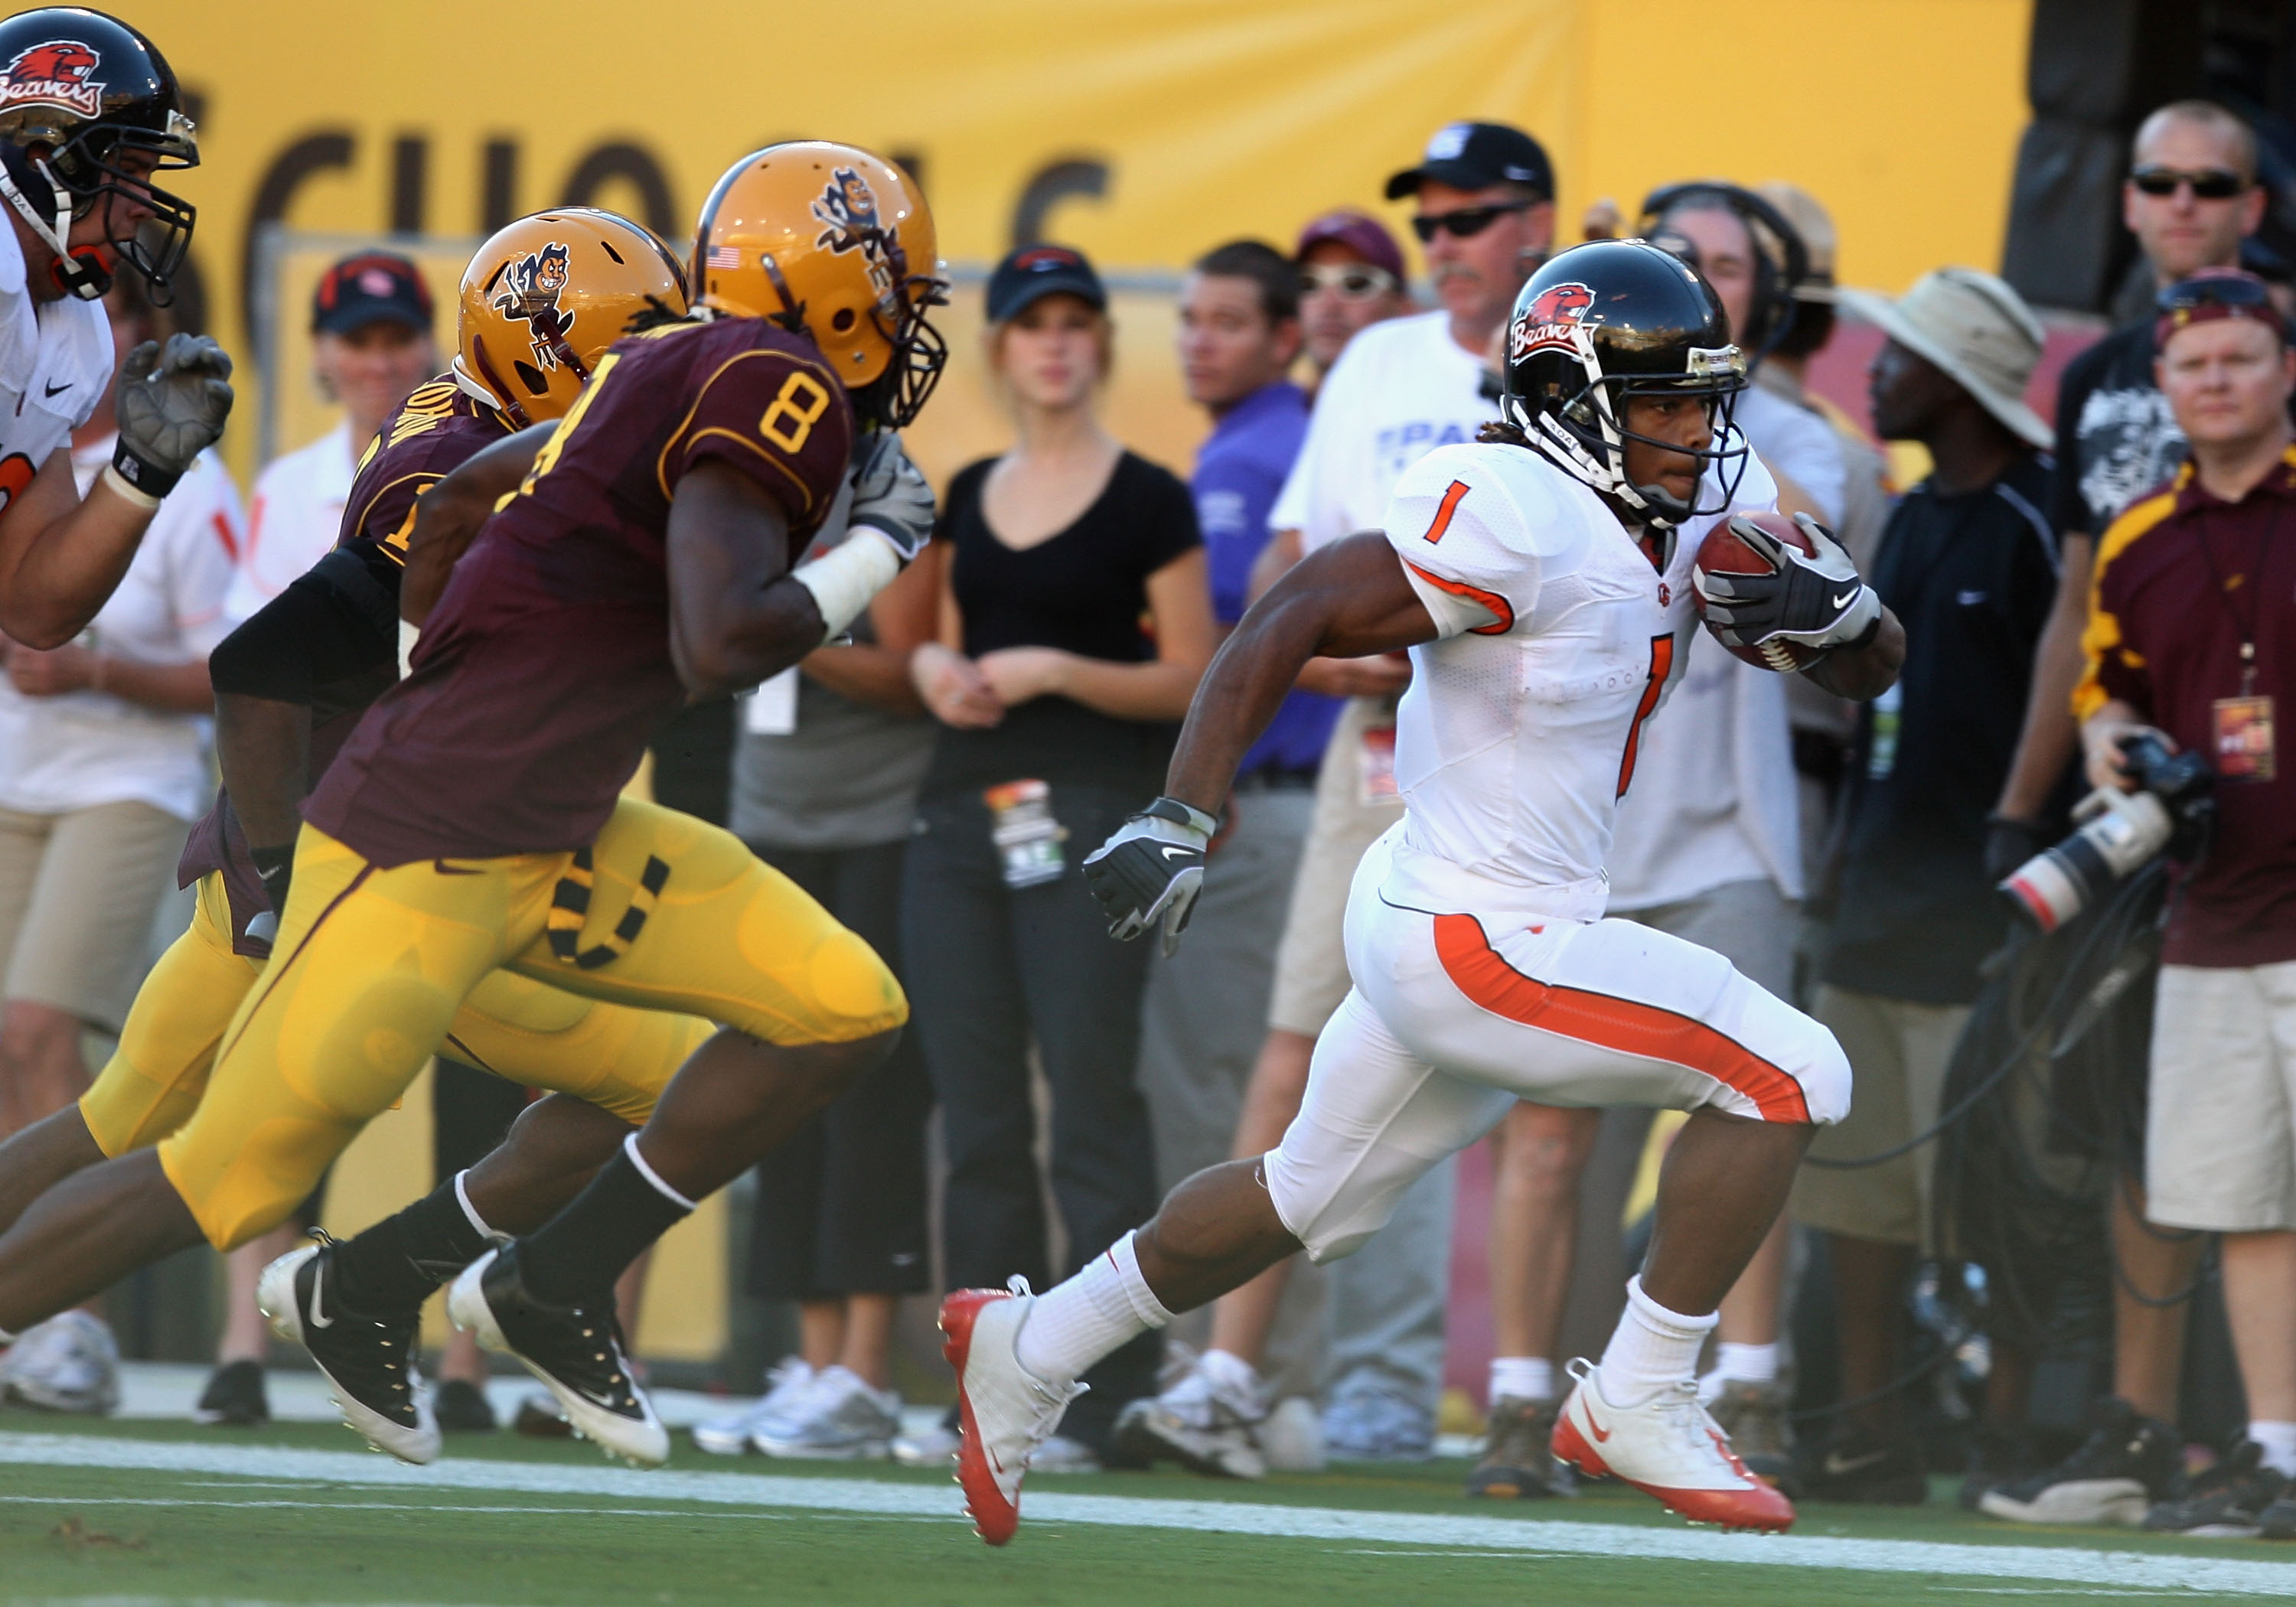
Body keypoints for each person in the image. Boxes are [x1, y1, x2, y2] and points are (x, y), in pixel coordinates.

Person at [943, 239, 1904, 1549]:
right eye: (1667, 405)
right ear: (1572, 400)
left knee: (1308, 1196)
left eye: (1704, 401)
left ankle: (1035, 1342)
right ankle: (1639, 1389)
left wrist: (1838, 613)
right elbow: (1284, 614)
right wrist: (1182, 811)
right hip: (1478, 932)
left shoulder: (1690, 496)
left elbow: (1869, 667)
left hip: (1458, 913)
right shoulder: (1511, 504)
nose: (1698, 432)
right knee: (1792, 1073)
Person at [0, 204, 727, 1463]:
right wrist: (291, 877)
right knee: (670, 1083)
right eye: (642, 347)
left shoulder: (514, 443)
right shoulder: (451, 479)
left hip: (378, 850)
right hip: (381, 867)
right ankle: (391, 1282)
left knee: (127, 1125)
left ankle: (395, 1280)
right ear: (558, 356)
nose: (666, 374)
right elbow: (261, 662)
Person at [1142, 119, 1553, 1472]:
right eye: (1429, 223)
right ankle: (1225, 1376)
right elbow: (1287, 569)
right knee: (1296, 1050)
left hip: (1531, 765)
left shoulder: (1577, 347)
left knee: (1509, 1085)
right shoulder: (1377, 360)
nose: (1444, 244)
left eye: (1469, 219)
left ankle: (1475, 1390)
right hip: (1374, 750)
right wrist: (1356, 653)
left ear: (1536, 224)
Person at [1463, 181, 1828, 1495]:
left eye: (1725, 265)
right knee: (1547, 1133)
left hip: (1725, 830)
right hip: (1580, 843)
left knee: (1759, 1094)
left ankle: (1746, 1381)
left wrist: (1714, 463)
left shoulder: (1776, 442)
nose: (1701, 282)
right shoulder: (1533, 470)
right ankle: (1520, 1401)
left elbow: (1814, 561)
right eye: (1678, 261)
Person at [1981, 99, 2266, 1528]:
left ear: (2255, 207)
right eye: (2157, 180)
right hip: (2157, 815)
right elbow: (2076, 610)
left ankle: (2255, 1438)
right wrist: (2029, 798)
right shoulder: (2096, 375)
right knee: (2153, 1131)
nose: (2181, 202)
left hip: (2278, 815)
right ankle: (2150, 1432)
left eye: (2212, 183)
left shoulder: (2273, 351)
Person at [896, 243, 1213, 1467]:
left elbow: (1191, 675)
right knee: (976, 1117)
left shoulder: (1149, 497)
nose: (1057, 342)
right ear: (1002, 349)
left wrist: (1055, 670)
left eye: (1078, 322)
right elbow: (911, 644)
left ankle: (1106, 1381)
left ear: (1102, 346)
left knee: (1089, 1101)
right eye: (1036, 323)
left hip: (1088, 818)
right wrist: (937, 666)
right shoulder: (969, 487)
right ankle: (987, 1382)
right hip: (954, 819)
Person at [1786, 268, 2058, 1502]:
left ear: (1955, 382)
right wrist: (1841, 868)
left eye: (1898, 357)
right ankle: (1870, 1429)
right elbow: (1874, 720)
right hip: (1875, 906)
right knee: (1857, 1194)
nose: (1876, 374)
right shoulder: (1906, 518)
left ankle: (2010, 1436)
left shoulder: (2037, 519)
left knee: (1999, 1193)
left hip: (1989, 919)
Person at [2065, 270, 2296, 1540]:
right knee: (2244, 1203)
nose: (2216, 380)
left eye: (2240, 358)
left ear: (2286, 370)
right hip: (2210, 917)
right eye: (2194, 364)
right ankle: (2278, 1457)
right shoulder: (2137, 539)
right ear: (2162, 385)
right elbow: (2107, 686)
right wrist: (2111, 739)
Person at [0, 270, 240, 1416]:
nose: (98, 332)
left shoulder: (187, 485)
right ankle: (24, 1311)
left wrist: (97, 671)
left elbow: (233, 666)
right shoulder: (26, 445)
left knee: (41, 1032)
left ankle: (76, 1323)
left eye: (123, 312)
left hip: (126, 783)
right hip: (13, 775)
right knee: (4, 1046)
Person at [1114, 240, 1320, 1475]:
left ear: (1285, 337)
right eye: (1190, 318)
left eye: (1230, 321)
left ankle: (1222, 1374)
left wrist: (1201, 789)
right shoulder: (1247, 444)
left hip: (1260, 808)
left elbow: (1249, 645)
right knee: (1279, 1105)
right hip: (1287, 806)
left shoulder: (1262, 453)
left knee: (1222, 1097)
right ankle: (1266, 1380)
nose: (1199, 340)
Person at [689, 477, 941, 1462]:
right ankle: (813, 1365)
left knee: (871, 1095)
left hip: (880, 824)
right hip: (768, 822)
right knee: (774, 1091)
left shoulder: (893, 488)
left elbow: (913, 672)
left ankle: (867, 1375)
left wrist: (779, 630)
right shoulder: (743, 493)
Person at [0, 9, 231, 657]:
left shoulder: (67, 330)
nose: (143, 203)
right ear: (44, 159)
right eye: (130, 167)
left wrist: (140, 473)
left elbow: (33, 607)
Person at [227, 253, 436, 618]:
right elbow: (257, 637)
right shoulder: (286, 490)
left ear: (430, 345)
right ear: (319, 351)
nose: (380, 365)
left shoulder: (484, 473)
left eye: (400, 340)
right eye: (357, 342)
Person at [1292, 210, 1411, 400]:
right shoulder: (1270, 411)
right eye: (1308, 283)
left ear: (1403, 306)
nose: (1328, 305)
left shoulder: (1433, 405)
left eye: (1356, 284)